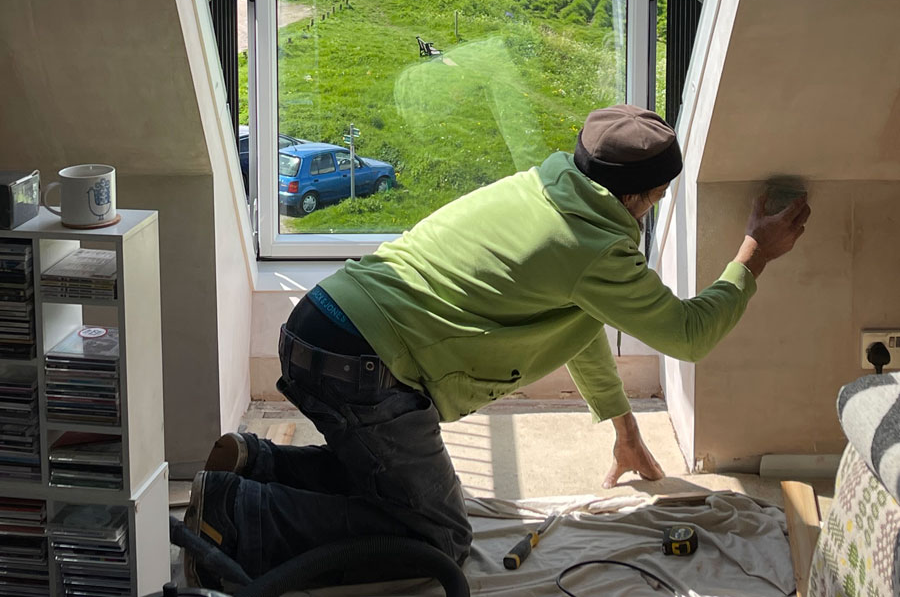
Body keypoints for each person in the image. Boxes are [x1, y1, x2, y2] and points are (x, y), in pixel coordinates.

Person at [184, 105, 810, 586]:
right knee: (438, 537)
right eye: (658, 196)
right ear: (638, 197)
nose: (656, 207)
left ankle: (257, 464)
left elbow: (580, 323)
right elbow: (690, 334)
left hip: (322, 323)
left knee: (392, 484)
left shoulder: (543, 189)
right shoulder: (595, 246)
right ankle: (239, 515)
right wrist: (754, 254)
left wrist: (623, 426)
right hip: (365, 365)